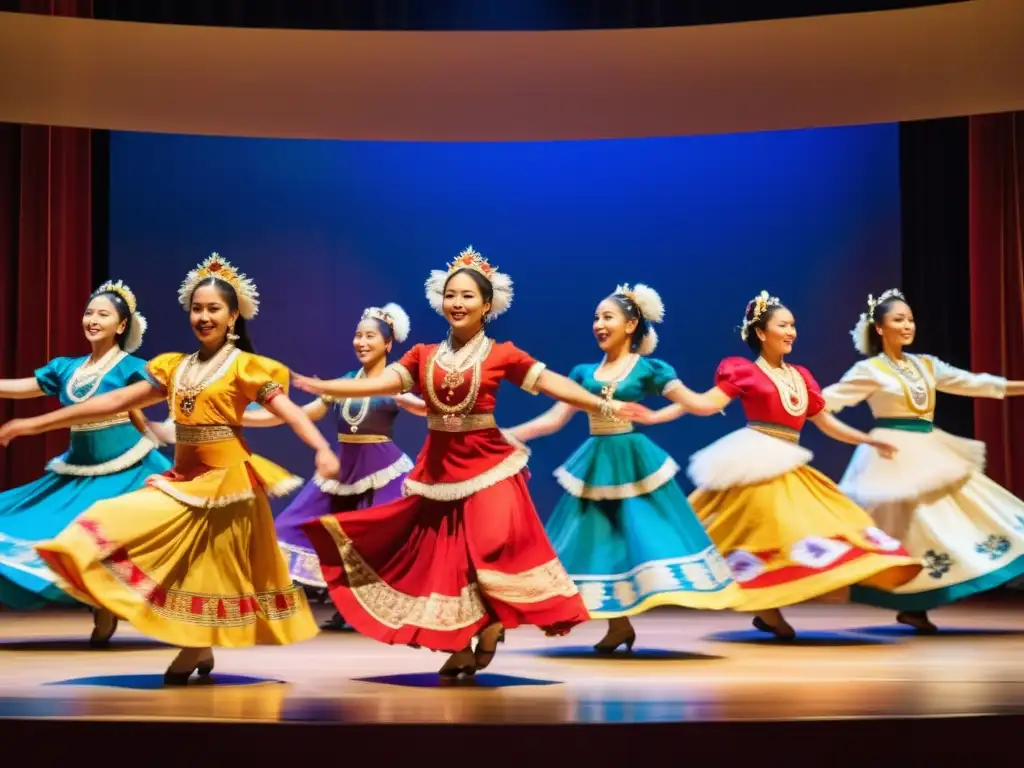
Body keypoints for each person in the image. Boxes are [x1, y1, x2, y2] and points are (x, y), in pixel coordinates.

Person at [293, 246, 652, 677]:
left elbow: (553, 382)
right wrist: (323, 384)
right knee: (450, 561)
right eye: (450, 295)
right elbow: (384, 382)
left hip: (488, 464)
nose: (457, 303)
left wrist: (602, 404)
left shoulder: (503, 354)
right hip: (440, 469)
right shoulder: (424, 355)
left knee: (489, 546)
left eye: (466, 296)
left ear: (486, 306)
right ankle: (463, 643)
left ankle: (493, 621)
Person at [0, 254, 337, 684]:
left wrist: (321, 448)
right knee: (109, 520)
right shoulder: (173, 365)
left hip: (227, 484)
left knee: (207, 573)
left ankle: (196, 646)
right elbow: (114, 402)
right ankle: (174, 635)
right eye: (197, 308)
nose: (204, 316)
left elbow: (287, 411)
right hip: (183, 480)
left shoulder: (246, 365)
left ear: (232, 316)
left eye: (214, 308)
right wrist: (34, 423)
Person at [506, 283, 741, 653]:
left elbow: (695, 403)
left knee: (642, 532)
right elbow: (553, 420)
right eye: (596, 318)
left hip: (633, 460)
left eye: (607, 317)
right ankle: (619, 626)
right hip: (596, 461)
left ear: (631, 325)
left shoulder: (649, 368)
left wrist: (722, 391)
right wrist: (505, 433)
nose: (599, 324)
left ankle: (646, 604)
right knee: (599, 539)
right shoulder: (583, 372)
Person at [674, 291, 922, 638]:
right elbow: (704, 404)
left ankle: (768, 608)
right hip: (753, 462)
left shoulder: (802, 376)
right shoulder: (742, 371)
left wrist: (867, 439)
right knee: (763, 530)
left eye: (793, 326)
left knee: (824, 523)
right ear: (762, 333)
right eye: (783, 325)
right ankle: (767, 609)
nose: (791, 332)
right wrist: (670, 390)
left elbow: (826, 423)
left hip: (788, 463)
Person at [822, 289, 1024, 631]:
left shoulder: (925, 364)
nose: (907, 325)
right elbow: (826, 402)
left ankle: (919, 604)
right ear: (880, 328)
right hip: (891, 453)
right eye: (898, 319)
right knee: (910, 528)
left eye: (910, 319)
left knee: (967, 510)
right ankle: (911, 601)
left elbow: (972, 382)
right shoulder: (868, 370)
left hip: (929, 448)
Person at [0, 281, 171, 645]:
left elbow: (137, 407)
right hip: (78, 470)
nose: (93, 320)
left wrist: (156, 437)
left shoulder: (133, 368)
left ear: (121, 326)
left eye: (103, 314)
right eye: (89, 313)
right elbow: (23, 387)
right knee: (39, 528)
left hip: (128, 470)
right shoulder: (67, 368)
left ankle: (122, 608)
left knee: (117, 540)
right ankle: (100, 602)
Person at [243, 302, 426, 631]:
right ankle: (342, 602)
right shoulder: (345, 381)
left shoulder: (393, 381)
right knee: (291, 526)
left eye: (370, 336)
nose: (362, 342)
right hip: (345, 472)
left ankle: (372, 607)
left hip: (383, 472)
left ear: (388, 344)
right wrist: (246, 419)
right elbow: (306, 413)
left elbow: (421, 408)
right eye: (358, 336)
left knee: (377, 540)